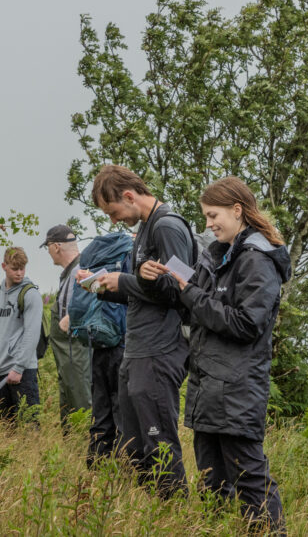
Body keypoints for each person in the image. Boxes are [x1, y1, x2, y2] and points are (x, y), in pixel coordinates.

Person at [141, 176, 288, 531]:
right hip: (208, 389)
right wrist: (160, 279)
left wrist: (190, 292)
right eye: (205, 217)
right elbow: (197, 313)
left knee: (250, 480)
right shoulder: (219, 256)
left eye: (212, 215)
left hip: (237, 389)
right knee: (212, 483)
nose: (208, 225)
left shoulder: (256, 260)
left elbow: (246, 324)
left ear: (237, 211)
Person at [79, 164, 196, 497]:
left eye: (113, 211)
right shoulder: (145, 230)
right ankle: (152, 515)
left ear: (129, 196)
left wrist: (124, 279)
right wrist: (101, 286)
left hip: (160, 350)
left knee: (159, 445)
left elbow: (179, 289)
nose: (113, 221)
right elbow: (144, 292)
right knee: (135, 446)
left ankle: (174, 515)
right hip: (136, 349)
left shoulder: (168, 227)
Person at [68, 231, 133, 467]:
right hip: (122, 340)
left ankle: (95, 467)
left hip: (97, 339)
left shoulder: (92, 255)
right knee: (122, 410)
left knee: (101, 408)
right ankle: (123, 470)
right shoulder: (128, 254)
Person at [0, 247, 43, 427]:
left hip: (22, 371)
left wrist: (19, 367)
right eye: (15, 268)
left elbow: (32, 334)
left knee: (30, 427)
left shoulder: (30, 294)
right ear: (4, 266)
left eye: (22, 268)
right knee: (8, 428)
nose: (19, 273)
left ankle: (33, 456)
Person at [41, 224, 92, 431]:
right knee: (69, 399)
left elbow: (86, 307)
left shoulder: (79, 272)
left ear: (56, 247)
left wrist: (68, 322)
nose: (49, 253)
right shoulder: (70, 272)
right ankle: (72, 448)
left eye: (48, 247)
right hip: (68, 353)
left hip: (76, 348)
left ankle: (88, 448)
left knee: (81, 399)